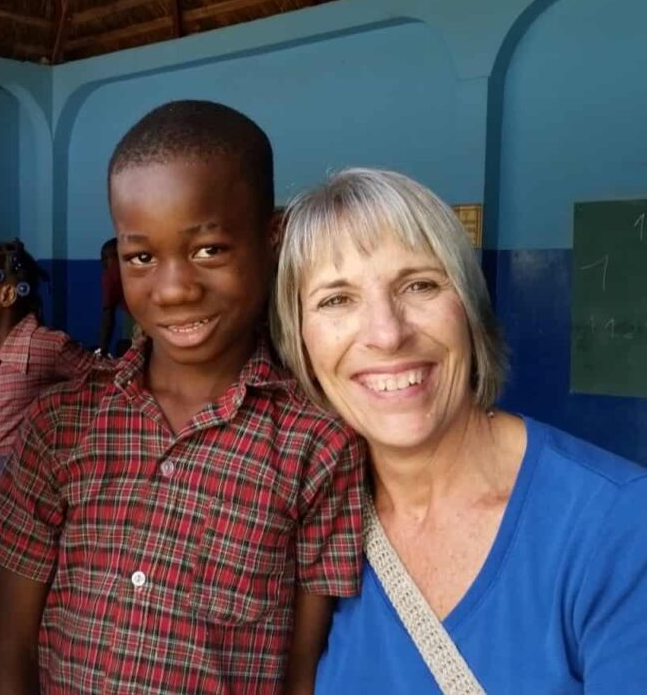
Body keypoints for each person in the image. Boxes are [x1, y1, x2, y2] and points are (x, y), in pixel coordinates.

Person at [0, 100, 366, 694]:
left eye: (209, 248)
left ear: (271, 238)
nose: (175, 288)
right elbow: (8, 642)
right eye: (141, 257)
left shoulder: (319, 443)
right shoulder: (61, 427)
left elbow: (302, 669)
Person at [271, 168, 647, 693]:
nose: (387, 332)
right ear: (302, 345)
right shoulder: (303, 523)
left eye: (419, 285)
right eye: (337, 299)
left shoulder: (620, 526)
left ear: (469, 310)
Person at [0, 240, 97, 608]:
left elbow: (102, 383)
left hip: (23, 485)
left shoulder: (48, 347)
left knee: (15, 587)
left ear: (8, 293)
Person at [98, 236, 132, 356]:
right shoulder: (134, 268)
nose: (102, 263)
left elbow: (108, 315)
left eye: (104, 259)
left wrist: (103, 348)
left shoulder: (110, 275)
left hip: (138, 320)